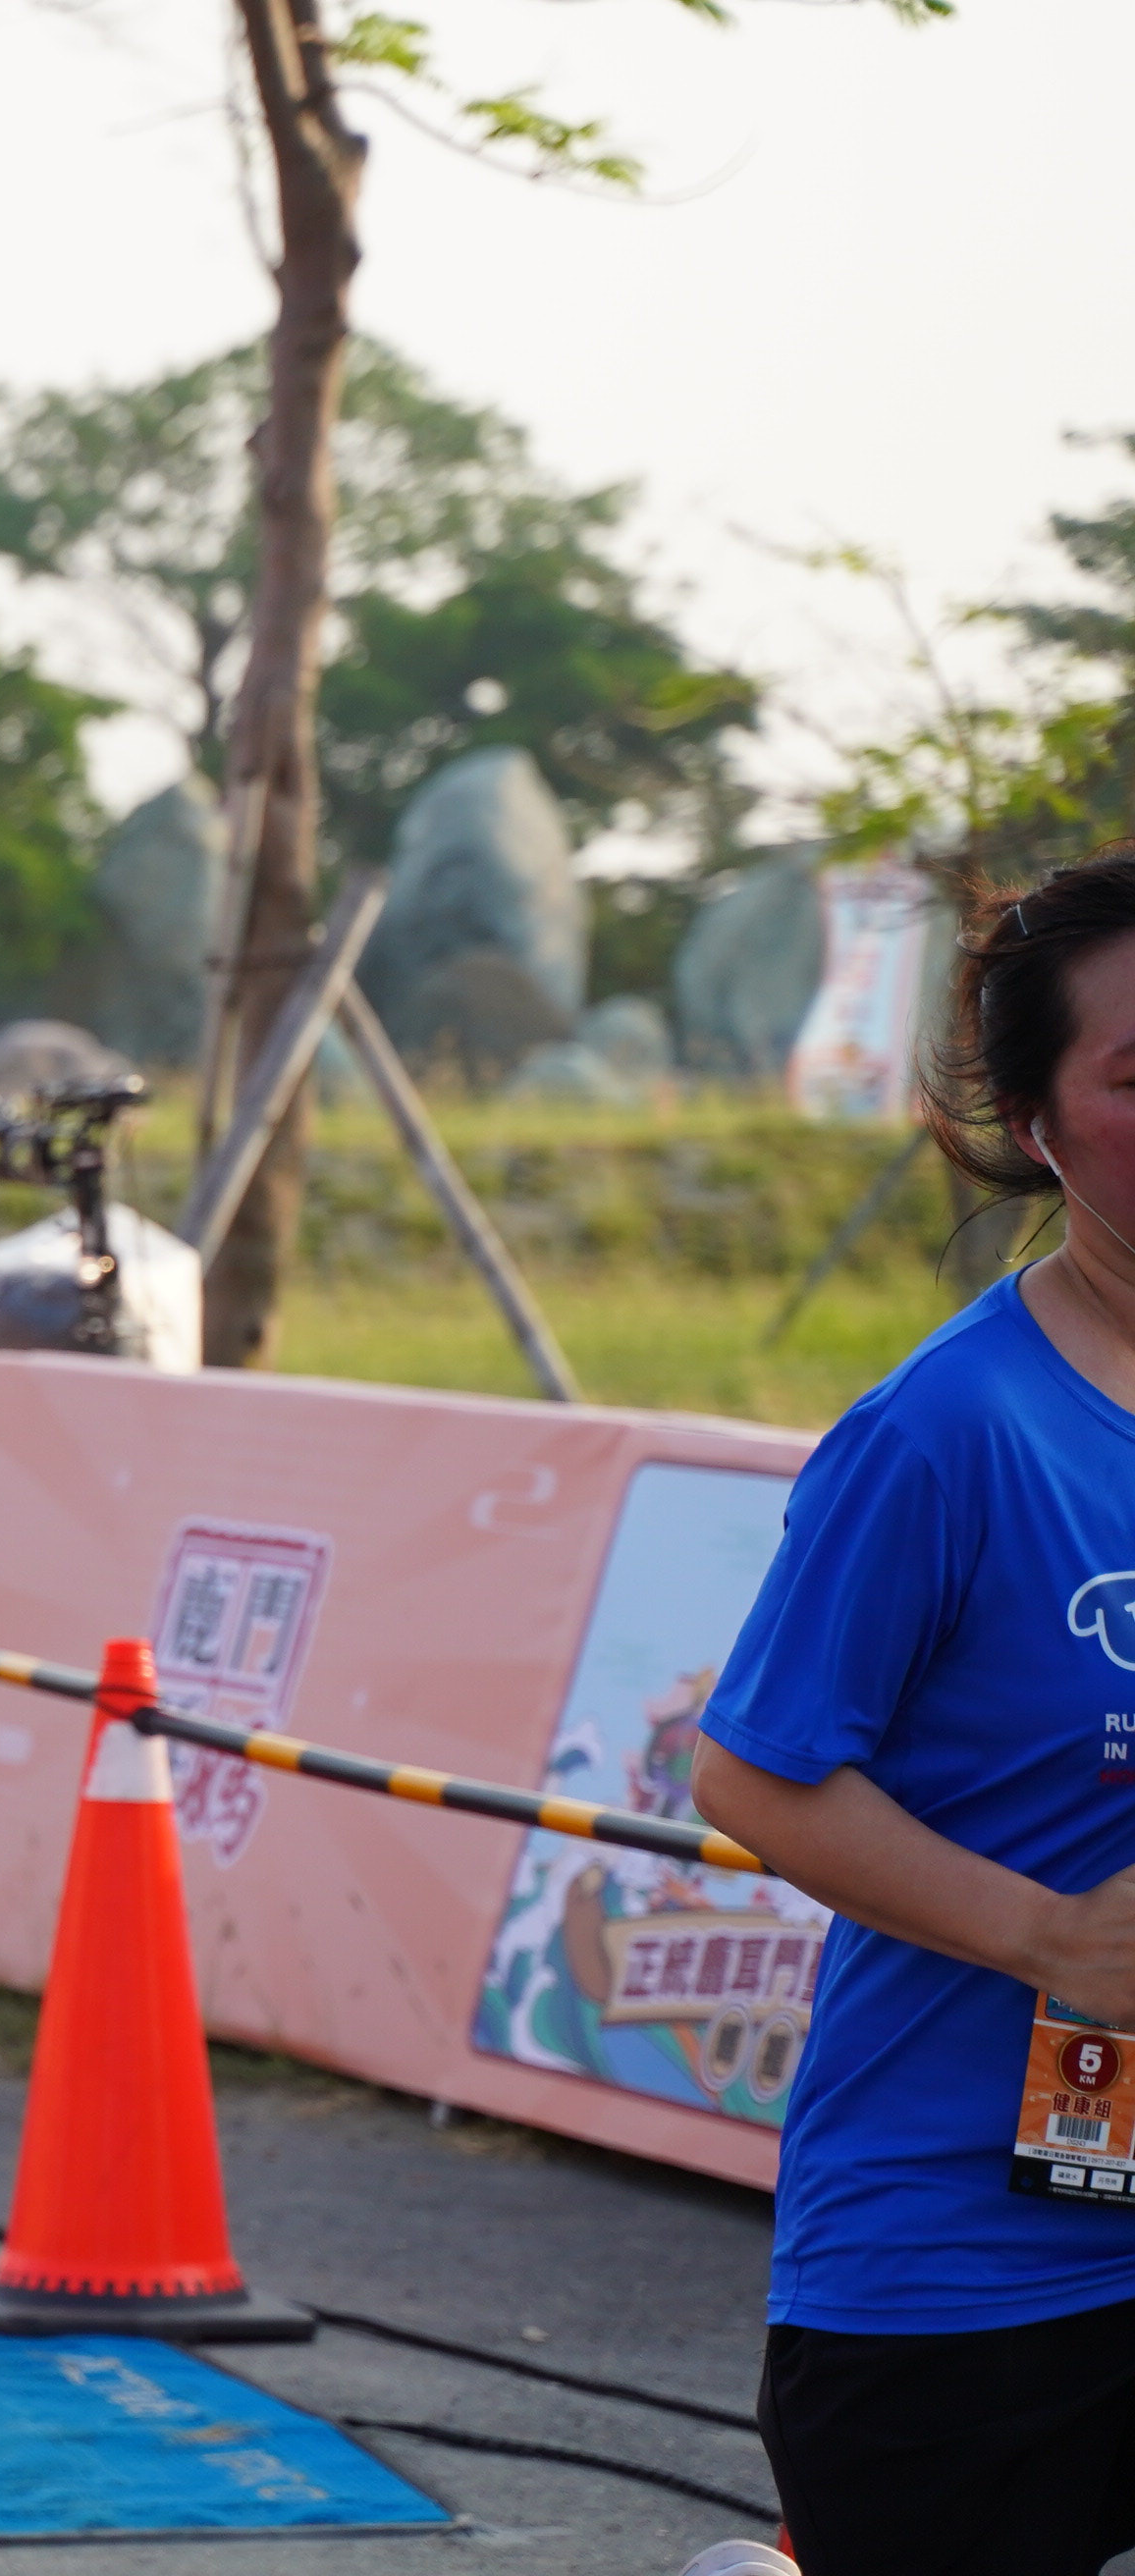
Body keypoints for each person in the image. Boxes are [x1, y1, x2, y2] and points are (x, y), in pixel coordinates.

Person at [692, 839, 1135, 2575]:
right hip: (966, 2274)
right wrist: (1052, 1935)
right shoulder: (950, 1431)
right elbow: (756, 1771)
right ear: (1038, 1126)